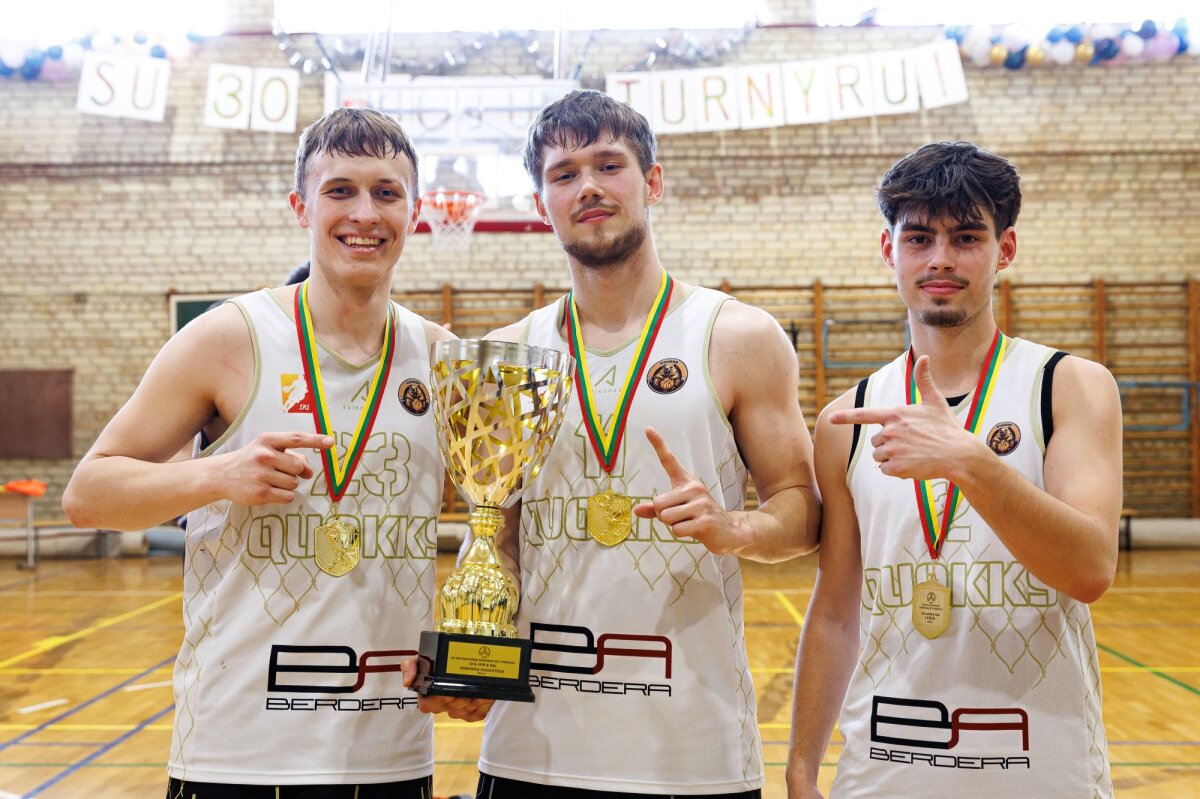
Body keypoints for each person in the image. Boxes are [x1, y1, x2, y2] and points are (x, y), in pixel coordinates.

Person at [63, 107, 463, 798]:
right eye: (340, 190)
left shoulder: (442, 357)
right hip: (239, 749)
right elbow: (87, 495)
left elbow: (502, 515)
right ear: (300, 206)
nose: (364, 213)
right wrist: (216, 473)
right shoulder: (228, 336)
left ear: (416, 211)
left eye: (386, 192)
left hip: (390, 750)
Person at [467, 89, 821, 798]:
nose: (588, 187)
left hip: (692, 750)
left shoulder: (738, 337)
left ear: (652, 181)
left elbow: (803, 511)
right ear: (541, 203)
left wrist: (735, 527)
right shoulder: (507, 355)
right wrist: (475, 647)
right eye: (564, 174)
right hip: (531, 749)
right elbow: (495, 538)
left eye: (609, 165)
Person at [785, 142, 1119, 798]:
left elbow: (1089, 569)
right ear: (890, 250)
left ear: (1005, 248)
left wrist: (969, 460)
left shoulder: (1068, 386)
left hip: (1039, 768)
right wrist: (800, 764)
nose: (940, 258)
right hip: (883, 768)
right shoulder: (845, 419)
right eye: (919, 238)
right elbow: (836, 609)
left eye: (966, 237)